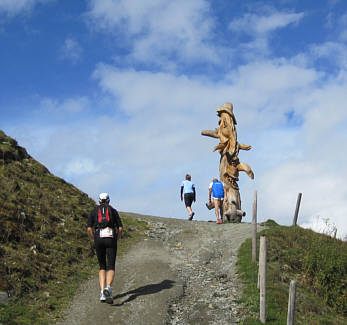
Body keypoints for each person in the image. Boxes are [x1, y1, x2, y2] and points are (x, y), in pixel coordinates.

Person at [87, 193, 123, 304]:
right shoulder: (113, 210)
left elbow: (89, 229)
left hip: (98, 237)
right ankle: (108, 287)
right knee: (111, 265)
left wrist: (94, 238)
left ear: (99, 201)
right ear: (108, 201)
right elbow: (120, 228)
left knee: (102, 266)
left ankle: (102, 292)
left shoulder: (93, 211)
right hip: (111, 237)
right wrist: (117, 238)